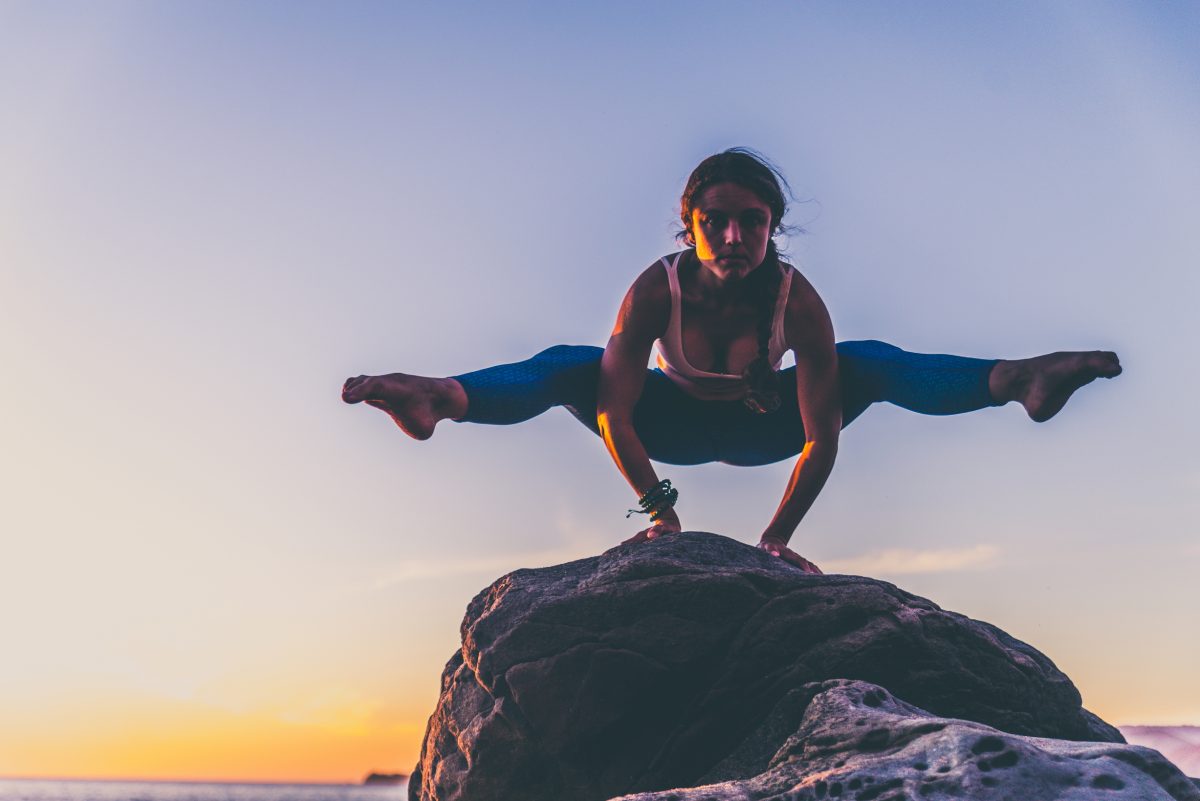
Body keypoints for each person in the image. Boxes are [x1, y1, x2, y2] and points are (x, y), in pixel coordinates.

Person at [341, 149, 1121, 574]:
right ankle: (442, 396)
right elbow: (613, 412)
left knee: (868, 360)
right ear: (690, 227)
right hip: (666, 428)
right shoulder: (655, 290)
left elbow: (822, 438)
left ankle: (1018, 378)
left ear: (773, 227)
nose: (734, 236)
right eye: (714, 221)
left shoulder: (798, 299)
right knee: (570, 364)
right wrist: (663, 512)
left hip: (766, 426)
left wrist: (774, 538)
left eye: (752, 221)